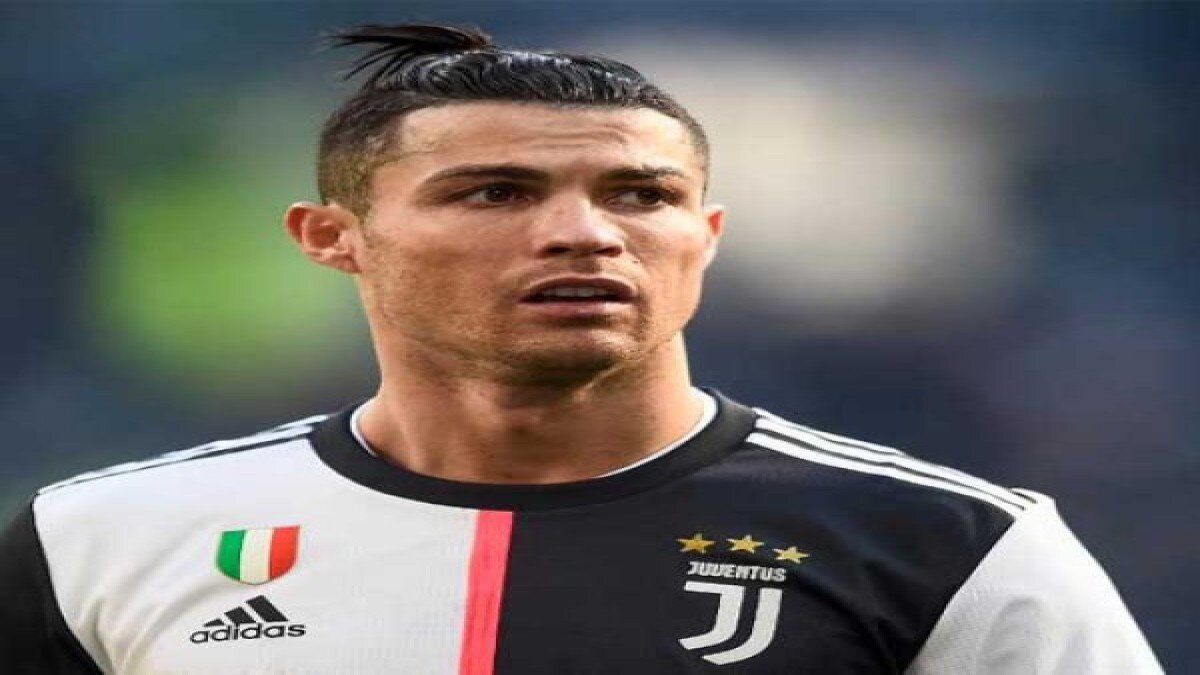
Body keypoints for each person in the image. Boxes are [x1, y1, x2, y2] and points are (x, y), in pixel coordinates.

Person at [0, 23, 1162, 674]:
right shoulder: (98, 541)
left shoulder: (953, 549)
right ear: (331, 239)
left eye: (639, 194)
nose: (585, 234)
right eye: (494, 191)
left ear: (706, 236)